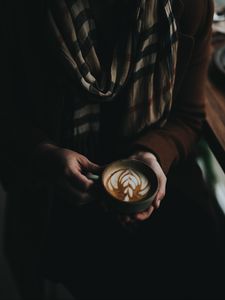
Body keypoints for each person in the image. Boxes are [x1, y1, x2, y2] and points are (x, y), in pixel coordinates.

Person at [2, 0, 224, 299]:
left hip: (159, 178)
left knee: (202, 259)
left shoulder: (190, 5)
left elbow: (187, 116)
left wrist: (153, 155)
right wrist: (44, 154)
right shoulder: (23, 10)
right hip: (58, 194)